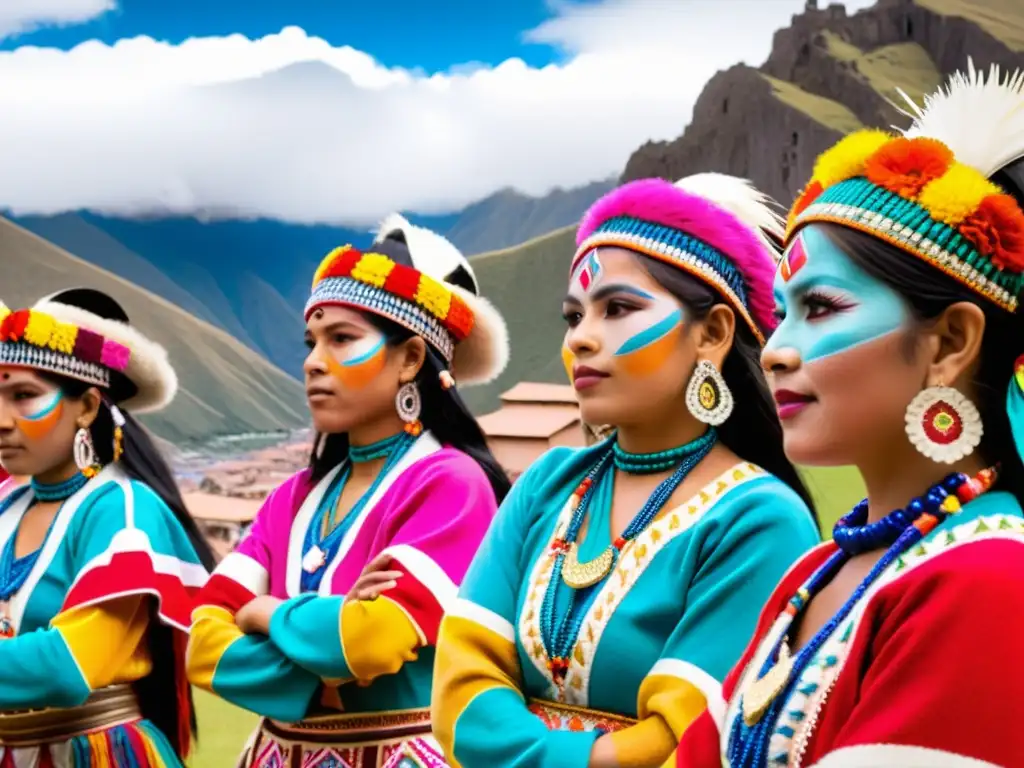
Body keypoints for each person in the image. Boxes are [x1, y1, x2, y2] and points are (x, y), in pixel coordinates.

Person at [680, 63, 1024, 768]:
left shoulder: (990, 582)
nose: (774, 352)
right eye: (781, 315)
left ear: (951, 342)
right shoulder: (817, 569)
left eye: (820, 308)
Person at [432, 174, 821, 768]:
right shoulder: (547, 484)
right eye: (572, 316)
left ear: (712, 334)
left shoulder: (758, 520)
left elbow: (688, 743)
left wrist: (515, 746)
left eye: (617, 308)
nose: (582, 339)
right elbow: (458, 693)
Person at [186, 215, 512, 767]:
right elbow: (201, 645)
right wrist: (325, 677)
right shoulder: (291, 498)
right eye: (312, 341)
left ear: (411, 359)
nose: (313, 362)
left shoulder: (450, 484)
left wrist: (265, 613)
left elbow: (373, 641)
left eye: (342, 340)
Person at [0, 289, 213, 766]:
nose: (1, 420)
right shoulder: (8, 509)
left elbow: (69, 666)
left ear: (88, 407)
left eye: (24, 396)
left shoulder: (124, 513)